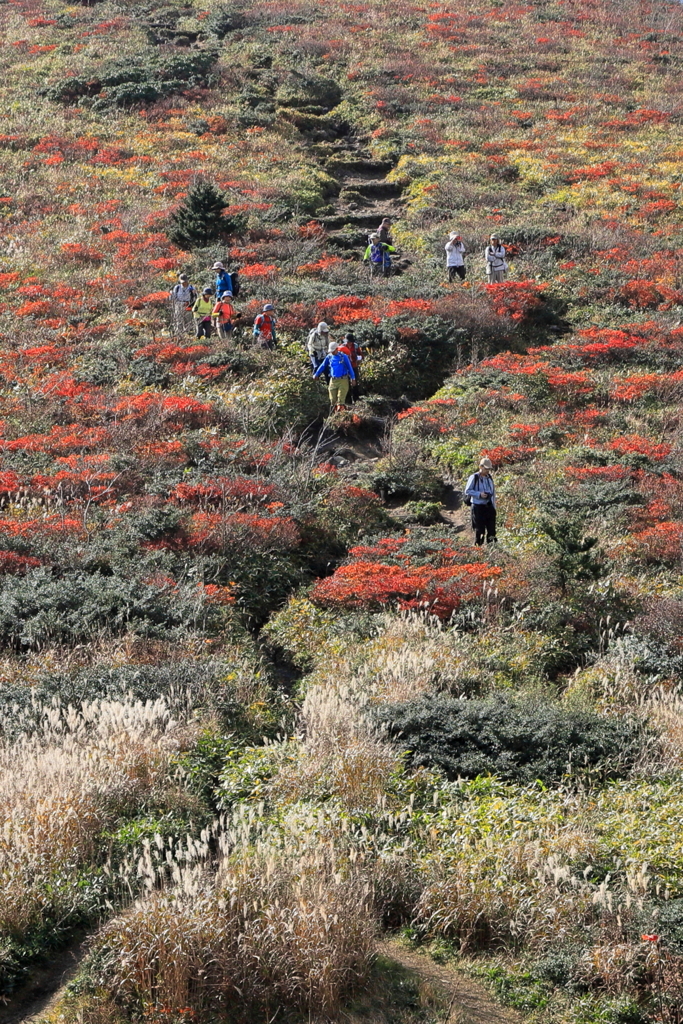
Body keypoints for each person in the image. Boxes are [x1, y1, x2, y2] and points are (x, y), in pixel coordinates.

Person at [314, 340, 355, 412]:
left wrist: (353, 378)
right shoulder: (329, 357)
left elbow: (349, 367)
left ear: (337, 349)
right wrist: (317, 374)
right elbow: (323, 365)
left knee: (340, 401)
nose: (332, 352)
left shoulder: (343, 357)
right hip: (333, 380)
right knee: (333, 401)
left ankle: (341, 417)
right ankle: (335, 415)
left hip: (343, 380)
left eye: (333, 350)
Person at [465, 457, 497, 545]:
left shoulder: (489, 478)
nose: (487, 471)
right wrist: (479, 494)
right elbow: (467, 490)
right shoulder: (474, 477)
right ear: (481, 467)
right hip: (477, 507)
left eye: (489, 469)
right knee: (479, 530)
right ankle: (478, 548)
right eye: (486, 468)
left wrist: (494, 506)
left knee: (492, 530)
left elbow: (493, 492)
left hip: (488, 506)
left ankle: (492, 548)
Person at [338, 331, 363, 402]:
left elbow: (361, 354)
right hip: (345, 368)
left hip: (354, 366)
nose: (349, 343)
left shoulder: (355, 346)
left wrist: (359, 358)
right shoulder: (342, 347)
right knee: (346, 383)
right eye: (348, 341)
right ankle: (348, 400)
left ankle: (356, 399)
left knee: (355, 382)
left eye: (350, 341)